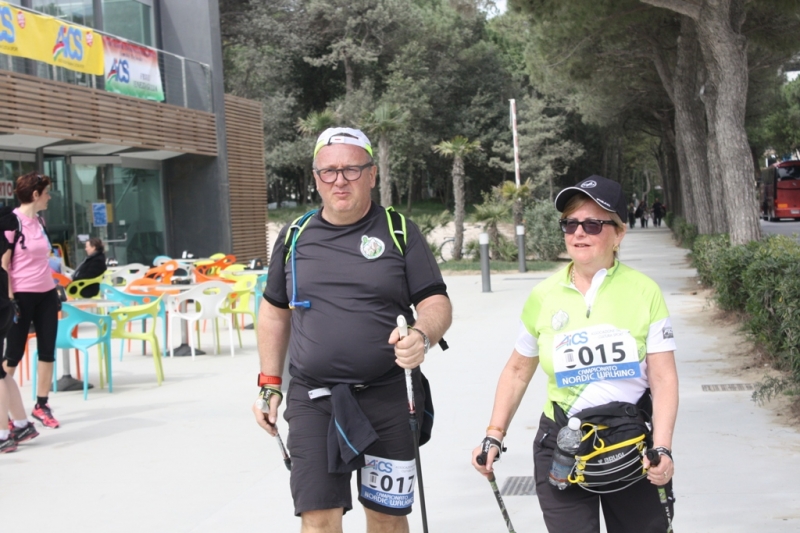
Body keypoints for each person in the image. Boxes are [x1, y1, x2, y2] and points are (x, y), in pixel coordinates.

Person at [253, 127, 452, 532]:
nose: (339, 180)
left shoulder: (399, 231)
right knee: (318, 518)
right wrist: (269, 383)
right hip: (313, 398)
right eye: (328, 171)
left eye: (351, 169)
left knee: (386, 518)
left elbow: (436, 302)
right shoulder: (294, 236)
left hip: (388, 396)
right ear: (315, 179)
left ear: (373, 174)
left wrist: (422, 335)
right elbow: (274, 312)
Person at [472, 175, 678, 533]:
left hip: (630, 446)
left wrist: (662, 447)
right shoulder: (544, 295)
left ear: (619, 234)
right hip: (562, 445)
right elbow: (518, 370)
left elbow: (663, 378)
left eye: (593, 224)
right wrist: (494, 434)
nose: (579, 233)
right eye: (570, 223)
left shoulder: (645, 291)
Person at [2, 172, 61, 429]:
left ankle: (41, 405)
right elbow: (3, 265)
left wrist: (56, 288)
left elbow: (43, 259)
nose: (49, 197)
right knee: (13, 355)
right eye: (47, 192)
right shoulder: (11, 222)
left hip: (46, 294)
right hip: (21, 296)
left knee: (47, 351)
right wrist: (10, 299)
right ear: (35, 195)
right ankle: (5, 412)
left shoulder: (40, 221)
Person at [0, 210, 39, 452]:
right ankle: (22, 424)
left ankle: (3, 434)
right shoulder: (4, 224)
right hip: (3, 303)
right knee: (2, 373)